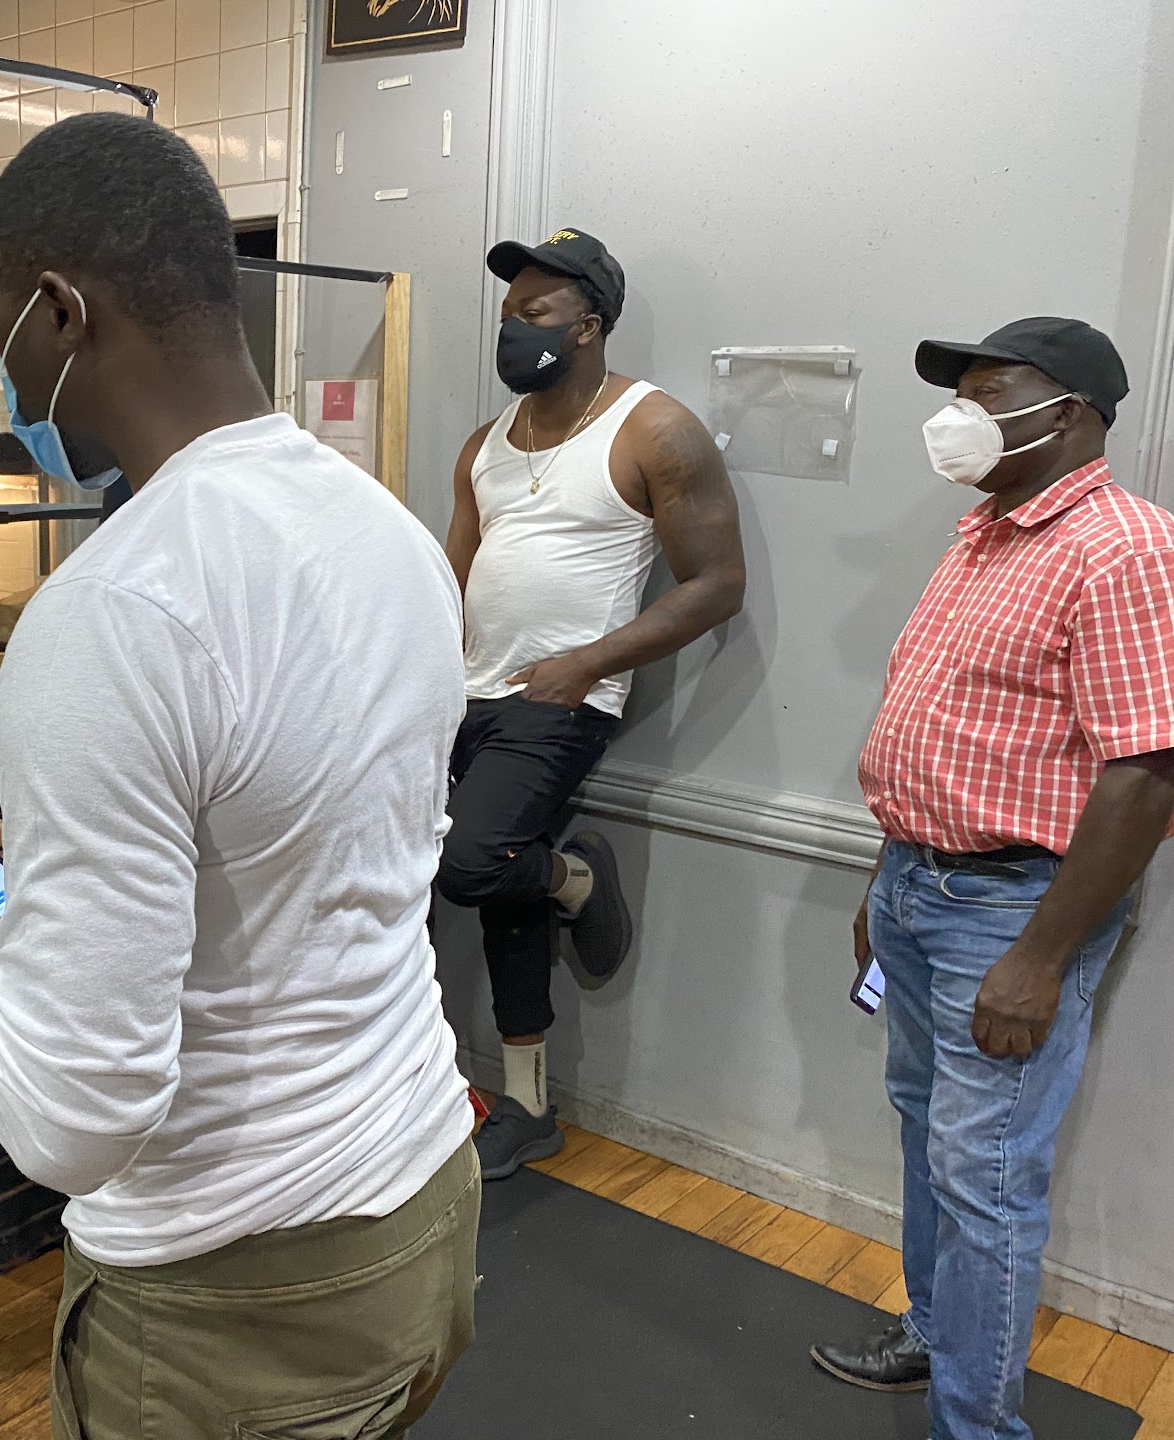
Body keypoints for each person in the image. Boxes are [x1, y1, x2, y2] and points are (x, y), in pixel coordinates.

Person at [0, 113, 480, 1440]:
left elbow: (73, 1121)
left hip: (235, 1296)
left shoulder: (111, 614)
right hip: (422, 1193)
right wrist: (84, 869)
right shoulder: (387, 533)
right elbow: (300, 842)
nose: (3, 376)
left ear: (60, 312)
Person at [811, 318, 1174, 1440]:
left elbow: (1148, 773)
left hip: (1012, 912)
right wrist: (886, 879)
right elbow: (935, 727)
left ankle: (977, 1427)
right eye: (958, 392)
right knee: (929, 1130)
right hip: (920, 885)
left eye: (989, 392)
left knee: (985, 1176)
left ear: (1071, 413)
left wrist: (1041, 959)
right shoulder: (981, 536)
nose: (960, 415)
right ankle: (934, 1335)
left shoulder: (1124, 549)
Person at [440, 229, 746, 1175]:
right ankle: (529, 1106)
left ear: (589, 324)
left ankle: (576, 877)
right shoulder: (486, 445)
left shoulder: (655, 429)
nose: (513, 328)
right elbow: (452, 578)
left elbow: (717, 584)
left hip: (562, 700)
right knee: (501, 885)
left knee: (471, 863)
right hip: (465, 696)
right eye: (507, 313)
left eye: (535, 311)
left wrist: (585, 665)